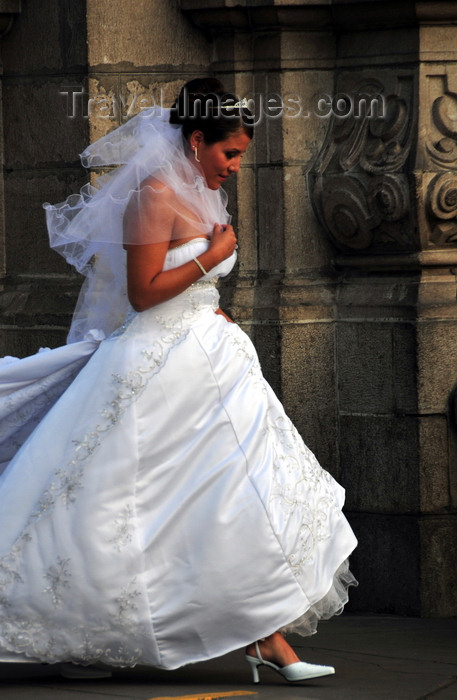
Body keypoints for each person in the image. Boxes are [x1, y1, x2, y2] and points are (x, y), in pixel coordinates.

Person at [0, 78, 357, 684]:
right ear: (197, 141)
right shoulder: (154, 195)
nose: (237, 167)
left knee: (238, 499)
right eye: (231, 154)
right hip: (156, 367)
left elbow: (191, 288)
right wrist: (208, 262)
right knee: (113, 504)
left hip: (212, 359)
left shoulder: (203, 194)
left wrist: (209, 296)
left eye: (241, 155)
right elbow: (142, 295)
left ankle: (268, 638)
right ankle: (87, 638)